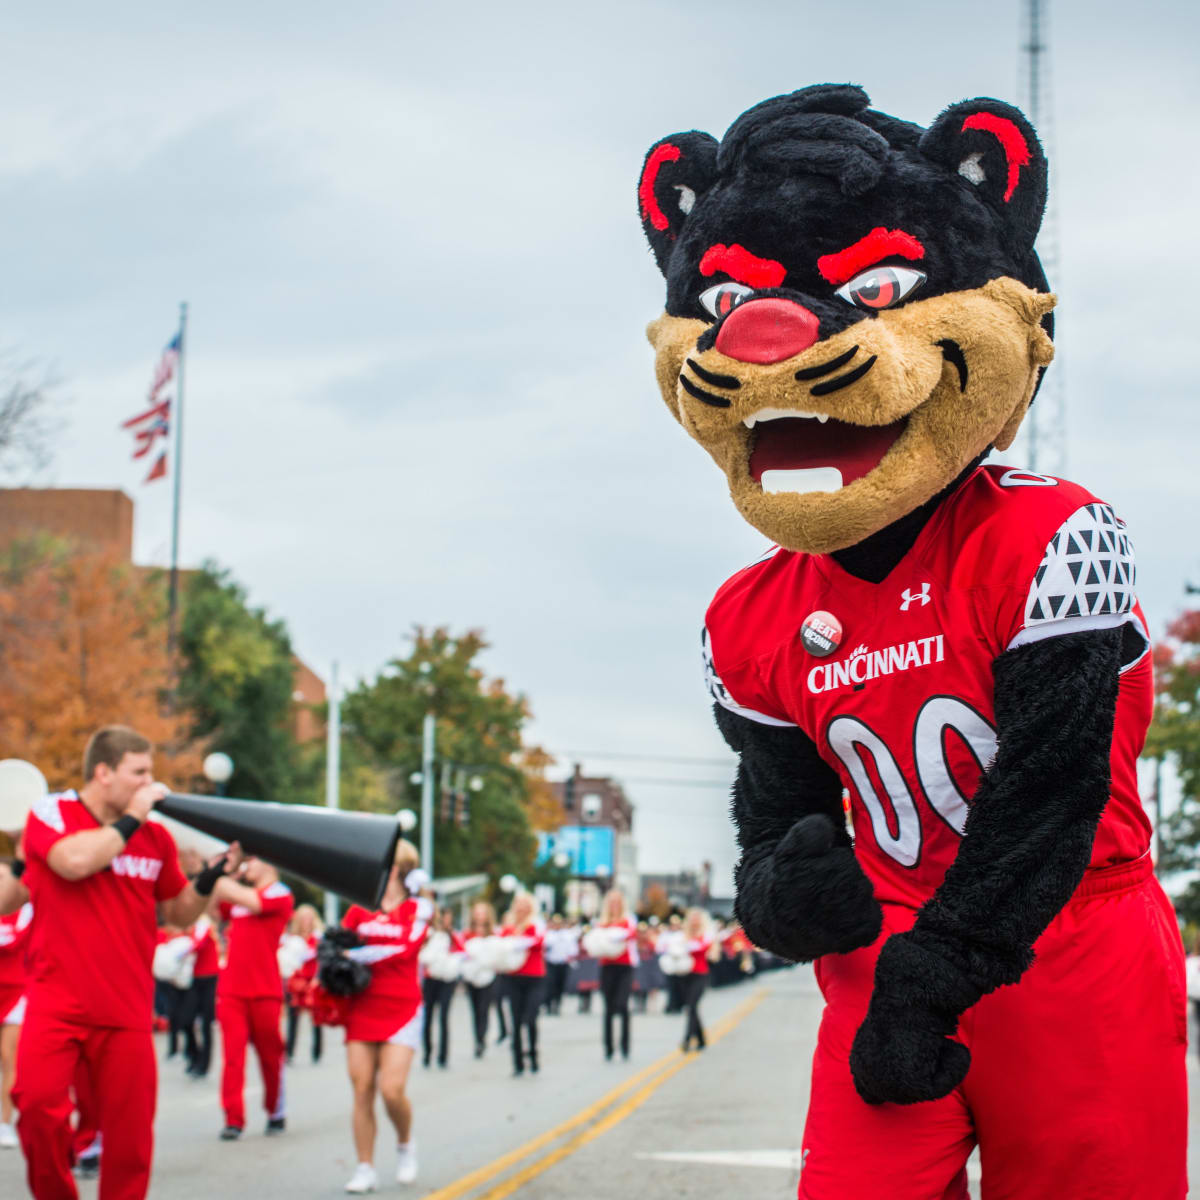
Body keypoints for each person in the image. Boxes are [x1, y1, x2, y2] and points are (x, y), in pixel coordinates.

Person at [7, 725, 241, 1200]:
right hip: (57, 1004)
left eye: (150, 772)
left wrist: (210, 878)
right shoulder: (53, 813)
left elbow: (176, 912)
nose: (150, 783)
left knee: (131, 1141)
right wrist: (133, 817)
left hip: (127, 1010)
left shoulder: (155, 837)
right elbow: (72, 861)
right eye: (140, 772)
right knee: (36, 1111)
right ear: (104, 772)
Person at [340, 839, 431, 1194]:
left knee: (391, 1090)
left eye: (392, 863)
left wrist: (359, 954)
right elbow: (338, 945)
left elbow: (407, 948)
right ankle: (365, 1166)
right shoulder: (360, 908)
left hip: (402, 1005)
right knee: (362, 1089)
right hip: (363, 1005)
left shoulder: (418, 908)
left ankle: (405, 1143)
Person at [212, 857, 293, 1140]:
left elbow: (254, 902)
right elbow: (213, 904)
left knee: (271, 1056)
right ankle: (233, 1118)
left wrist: (220, 876)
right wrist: (219, 871)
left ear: (269, 863)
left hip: (265, 990)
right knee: (232, 1058)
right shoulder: (238, 897)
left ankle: (275, 1110)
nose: (248, 866)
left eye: (252, 860)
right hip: (232, 989)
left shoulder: (280, 893)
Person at [498, 892, 545, 1076]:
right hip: (514, 977)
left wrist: (524, 942)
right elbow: (501, 946)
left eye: (526, 904)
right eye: (519, 904)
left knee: (530, 1017)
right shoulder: (508, 927)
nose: (522, 907)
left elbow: (539, 942)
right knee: (516, 1019)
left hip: (534, 976)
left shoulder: (535, 924)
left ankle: (533, 1054)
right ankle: (517, 1062)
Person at [0, 883, 31, 1149]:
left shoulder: (23, 909)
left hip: (15, 992)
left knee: (10, 1059)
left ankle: (5, 1123)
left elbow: (16, 941)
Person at [596, 889, 638, 1062]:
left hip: (624, 966)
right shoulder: (601, 921)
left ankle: (625, 1045)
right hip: (607, 966)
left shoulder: (628, 919)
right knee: (608, 1007)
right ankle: (608, 1048)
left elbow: (632, 934)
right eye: (611, 901)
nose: (614, 904)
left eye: (617, 901)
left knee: (622, 1004)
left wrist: (616, 935)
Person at [420, 908, 463, 1069]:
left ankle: (443, 1056)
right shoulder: (429, 934)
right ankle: (427, 1052)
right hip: (431, 979)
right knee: (428, 1016)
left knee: (444, 1016)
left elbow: (463, 951)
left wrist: (452, 960)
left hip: (447, 979)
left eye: (448, 918)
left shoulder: (452, 936)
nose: (446, 921)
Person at [180, 912, 219, 1077]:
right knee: (186, 1020)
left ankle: (204, 1064)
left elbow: (197, 945)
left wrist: (179, 952)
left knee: (206, 1025)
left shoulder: (204, 924)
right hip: (194, 980)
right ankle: (193, 1055)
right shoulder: (191, 927)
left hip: (210, 979)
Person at [284, 904, 323, 1066]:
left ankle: (317, 1052)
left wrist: (318, 978)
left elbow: (323, 960)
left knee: (316, 1017)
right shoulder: (291, 939)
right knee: (293, 1016)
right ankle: (289, 1052)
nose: (306, 921)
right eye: (303, 918)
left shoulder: (319, 938)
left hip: (313, 981)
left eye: (309, 917)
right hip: (296, 982)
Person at [462, 901, 498, 1058]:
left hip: (488, 976)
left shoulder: (493, 934)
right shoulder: (467, 933)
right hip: (471, 976)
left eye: (482, 912)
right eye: (477, 912)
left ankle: (481, 1039)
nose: (479, 915)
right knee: (475, 1009)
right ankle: (477, 1038)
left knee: (484, 1009)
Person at [680, 908, 715, 1052]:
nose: (694, 922)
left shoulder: (706, 934)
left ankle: (687, 1038)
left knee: (692, 1006)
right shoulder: (684, 935)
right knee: (691, 1007)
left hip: (700, 973)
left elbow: (703, 948)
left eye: (697, 919)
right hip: (685, 973)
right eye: (692, 919)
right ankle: (701, 1038)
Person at [542, 914, 578, 1015]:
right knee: (550, 984)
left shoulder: (567, 935)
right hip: (551, 963)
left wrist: (569, 956)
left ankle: (557, 1003)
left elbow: (573, 949)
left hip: (563, 963)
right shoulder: (548, 934)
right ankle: (549, 1004)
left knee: (560, 984)